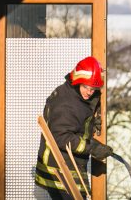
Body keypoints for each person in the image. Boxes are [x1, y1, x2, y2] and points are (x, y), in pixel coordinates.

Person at [35, 56, 111, 198]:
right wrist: (92, 147)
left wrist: (94, 120)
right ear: (77, 82)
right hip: (58, 169)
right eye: (86, 87)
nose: (89, 92)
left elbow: (78, 121)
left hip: (67, 166)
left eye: (93, 89)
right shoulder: (66, 103)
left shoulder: (76, 96)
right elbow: (61, 136)